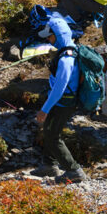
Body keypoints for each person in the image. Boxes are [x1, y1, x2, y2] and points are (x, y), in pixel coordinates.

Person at [32, 14, 88, 182]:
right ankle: (50, 166)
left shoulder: (66, 58)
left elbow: (59, 88)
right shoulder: (71, 49)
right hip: (64, 99)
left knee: (53, 135)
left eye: (50, 36)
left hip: (65, 101)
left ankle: (74, 171)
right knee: (49, 129)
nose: (49, 40)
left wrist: (45, 109)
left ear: (58, 34)